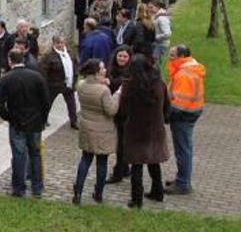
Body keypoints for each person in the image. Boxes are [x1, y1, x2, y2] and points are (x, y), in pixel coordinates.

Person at [0, 49, 50, 197]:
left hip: (17, 123)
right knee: (35, 154)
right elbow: (46, 101)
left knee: (19, 156)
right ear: (23, 59)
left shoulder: (6, 79)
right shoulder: (36, 77)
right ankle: (37, 187)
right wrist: (43, 119)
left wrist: (9, 117)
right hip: (35, 122)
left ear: (9, 60)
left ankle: (19, 188)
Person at [119, 54, 170, 208]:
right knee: (154, 161)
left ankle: (136, 199)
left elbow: (123, 109)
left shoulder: (130, 86)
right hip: (155, 129)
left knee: (136, 165)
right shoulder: (159, 84)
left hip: (136, 130)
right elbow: (167, 106)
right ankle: (158, 191)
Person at [72, 59, 121, 204]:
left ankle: (78, 191)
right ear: (96, 72)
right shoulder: (103, 91)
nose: (105, 69)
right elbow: (111, 110)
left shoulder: (81, 85)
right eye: (102, 68)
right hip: (103, 130)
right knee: (102, 162)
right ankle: (98, 193)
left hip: (87, 127)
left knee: (85, 159)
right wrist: (117, 95)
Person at [165, 44, 205, 195]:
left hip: (183, 116)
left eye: (172, 55)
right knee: (184, 148)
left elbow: (178, 105)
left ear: (181, 56)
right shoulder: (190, 68)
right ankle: (182, 178)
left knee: (183, 149)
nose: (170, 57)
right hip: (191, 112)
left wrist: (167, 115)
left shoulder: (184, 74)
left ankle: (183, 183)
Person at [38, 36, 79, 130]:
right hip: (53, 85)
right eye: (58, 43)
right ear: (54, 44)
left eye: (61, 42)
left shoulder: (69, 53)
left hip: (68, 83)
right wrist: (44, 84)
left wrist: (75, 78)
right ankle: (42, 121)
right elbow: (43, 70)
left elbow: (75, 65)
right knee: (47, 103)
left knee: (72, 104)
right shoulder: (48, 55)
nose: (60, 45)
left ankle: (74, 121)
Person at [107, 46, 133, 184]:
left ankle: (120, 171)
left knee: (122, 143)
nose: (121, 59)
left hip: (125, 112)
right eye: (119, 56)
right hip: (114, 109)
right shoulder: (111, 69)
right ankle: (124, 167)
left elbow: (124, 85)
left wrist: (110, 82)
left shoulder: (131, 72)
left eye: (125, 56)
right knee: (120, 141)